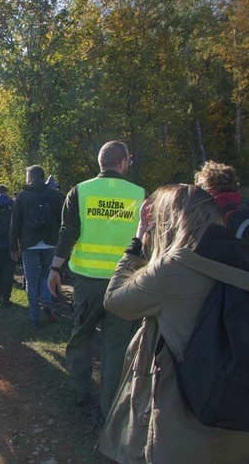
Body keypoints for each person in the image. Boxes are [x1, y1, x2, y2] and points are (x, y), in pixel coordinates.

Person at [99, 184, 249, 463]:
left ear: (169, 219)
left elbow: (116, 301)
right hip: (239, 422)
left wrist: (137, 243)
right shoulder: (242, 255)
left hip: (184, 423)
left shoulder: (173, 268)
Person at [47, 141, 145, 414]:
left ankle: (79, 390)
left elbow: (68, 233)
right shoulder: (140, 195)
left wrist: (55, 269)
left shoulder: (80, 191)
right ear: (123, 162)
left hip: (88, 282)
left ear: (100, 163)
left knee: (81, 335)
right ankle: (110, 405)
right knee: (117, 346)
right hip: (126, 283)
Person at [10, 165, 65, 327]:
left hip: (29, 243)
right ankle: (47, 303)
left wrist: (13, 246)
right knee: (48, 275)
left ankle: (34, 315)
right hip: (50, 242)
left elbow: (15, 224)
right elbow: (63, 221)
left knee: (32, 280)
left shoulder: (22, 196)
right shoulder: (56, 195)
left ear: (31, 177)